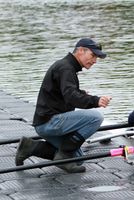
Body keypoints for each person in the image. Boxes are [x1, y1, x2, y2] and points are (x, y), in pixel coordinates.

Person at [15, 38, 112, 173]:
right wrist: (96, 101)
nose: (95, 61)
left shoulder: (66, 66)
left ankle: (30, 147)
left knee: (78, 159)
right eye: (93, 55)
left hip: (45, 122)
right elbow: (70, 97)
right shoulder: (66, 68)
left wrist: (81, 93)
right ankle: (63, 155)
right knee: (96, 117)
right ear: (80, 50)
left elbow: (64, 92)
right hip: (49, 122)